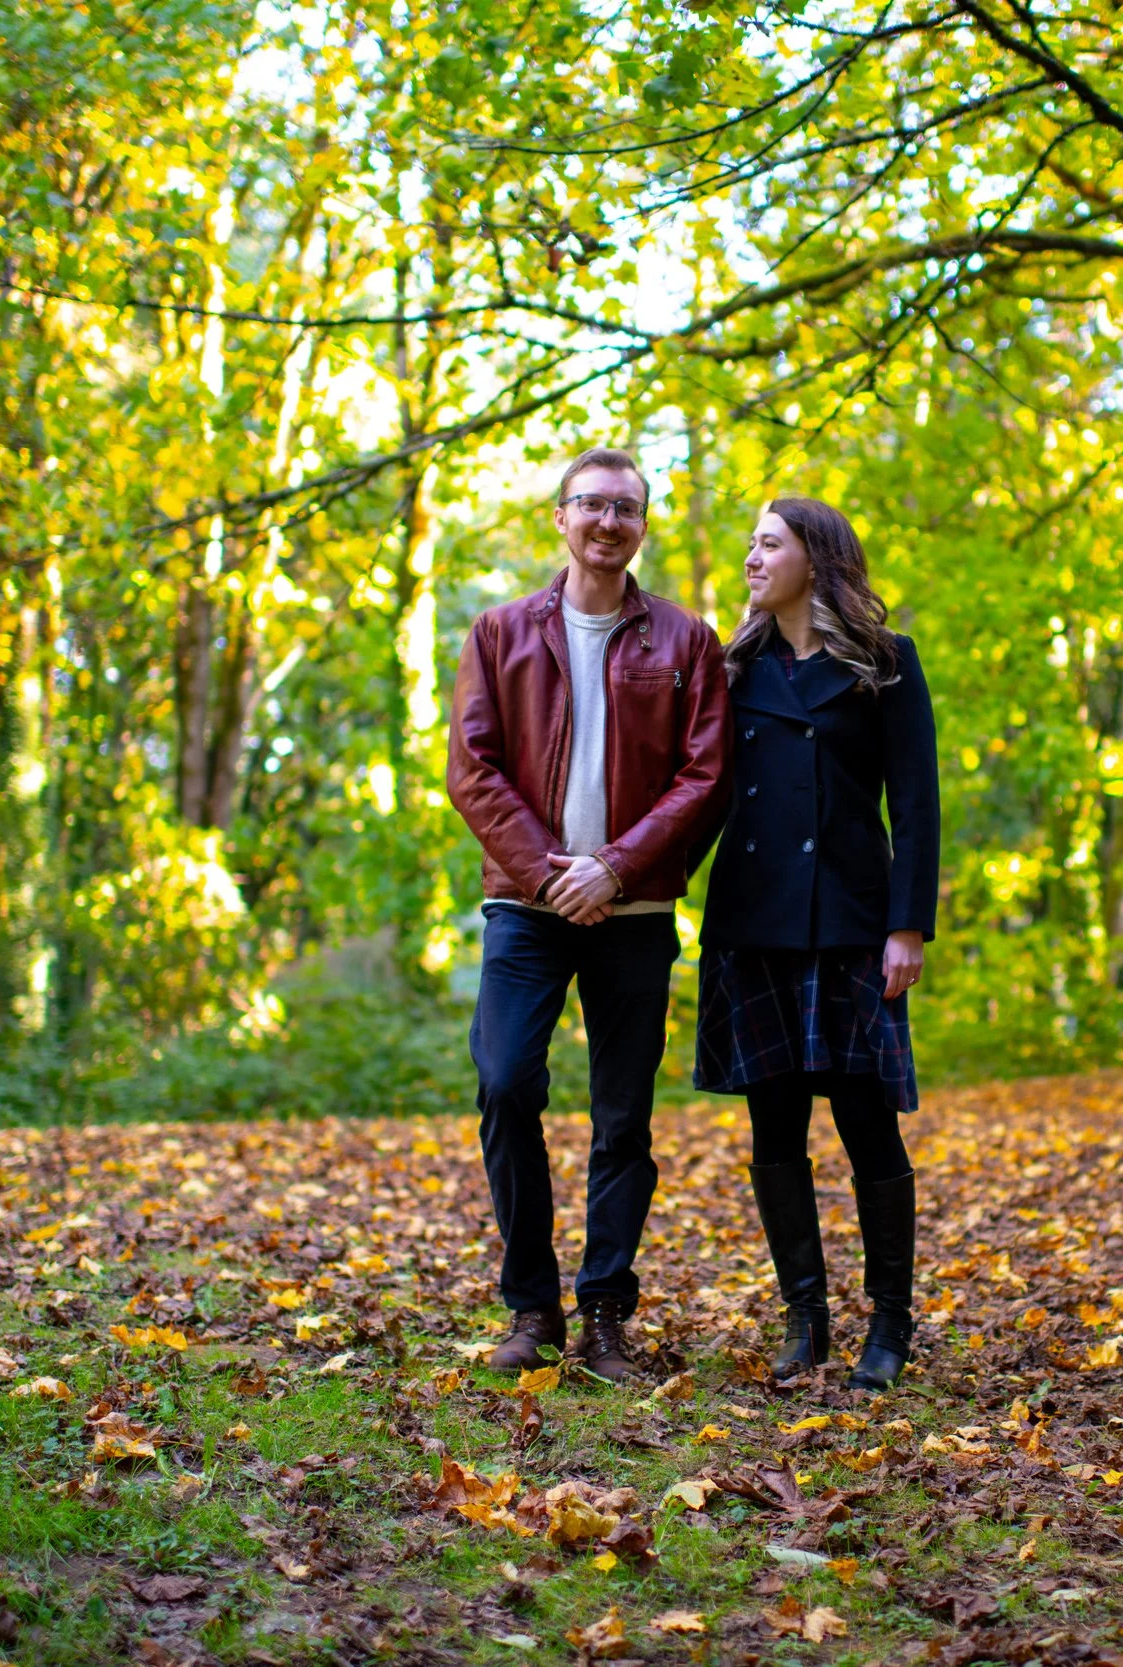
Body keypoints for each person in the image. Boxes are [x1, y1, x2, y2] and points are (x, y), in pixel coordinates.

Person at [446, 446, 731, 1382]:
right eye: (593, 506)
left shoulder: (687, 641)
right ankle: (532, 1306)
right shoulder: (499, 633)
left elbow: (706, 777)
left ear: (642, 527)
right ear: (560, 519)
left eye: (627, 510)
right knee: (504, 1081)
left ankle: (604, 1310)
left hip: (637, 907)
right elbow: (472, 770)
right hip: (524, 908)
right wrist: (548, 874)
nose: (610, 523)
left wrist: (613, 868)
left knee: (623, 1116)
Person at [695, 496, 939, 1392]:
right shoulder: (732, 664)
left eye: (769, 543)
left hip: (851, 923)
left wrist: (906, 923)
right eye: (752, 545)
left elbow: (915, 802)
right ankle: (806, 1317)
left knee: (868, 1126)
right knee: (773, 1130)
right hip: (754, 923)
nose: (752, 558)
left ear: (815, 557)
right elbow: (701, 792)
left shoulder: (885, 664)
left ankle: (890, 1323)